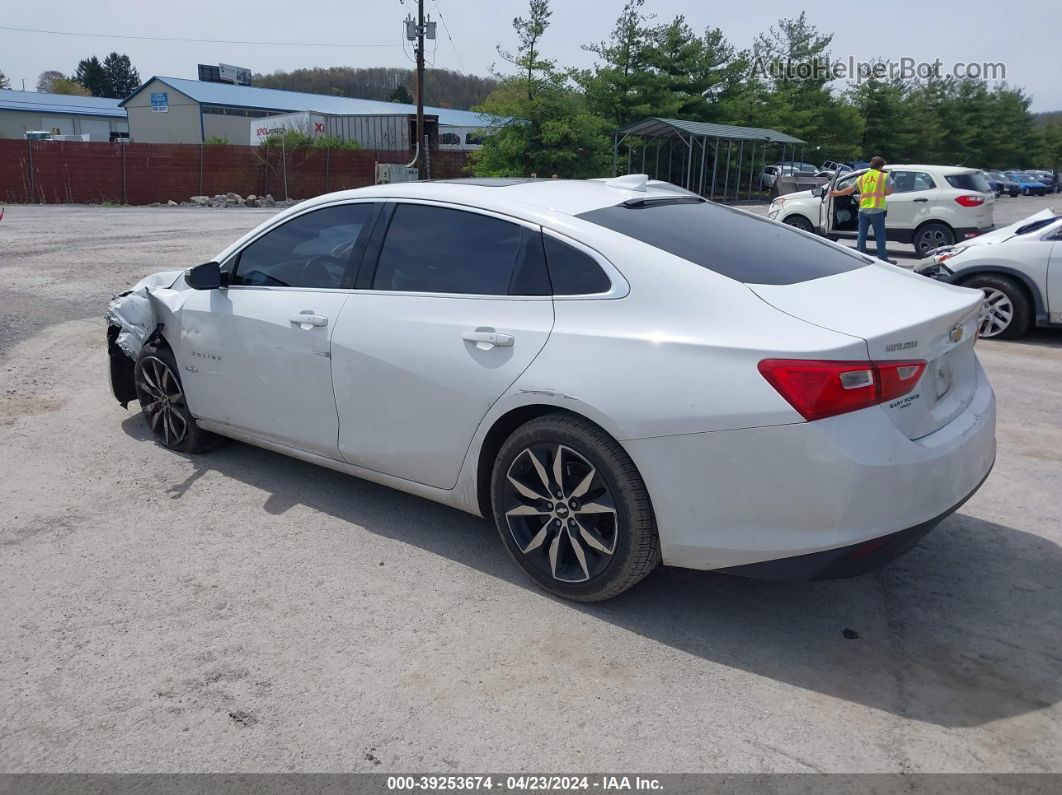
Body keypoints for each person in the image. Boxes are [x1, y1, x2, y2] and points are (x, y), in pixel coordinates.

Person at [829, 155, 894, 262]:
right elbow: (889, 192)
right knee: (880, 235)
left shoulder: (862, 177)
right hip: (877, 210)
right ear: (881, 166)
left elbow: (849, 191)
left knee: (862, 234)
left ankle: (860, 257)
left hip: (863, 210)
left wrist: (835, 193)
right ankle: (882, 257)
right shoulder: (885, 177)